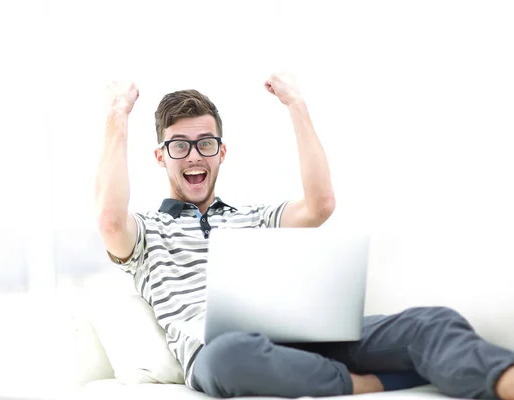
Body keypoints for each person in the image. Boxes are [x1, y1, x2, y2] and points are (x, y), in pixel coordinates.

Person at [95, 73, 514, 399]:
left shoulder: (255, 217)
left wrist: (296, 105)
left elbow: (320, 205)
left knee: (431, 322)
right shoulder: (146, 231)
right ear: (160, 157)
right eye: (179, 146)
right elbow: (111, 222)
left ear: (221, 152)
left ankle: (503, 381)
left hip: (302, 341)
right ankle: (366, 383)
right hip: (226, 356)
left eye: (205, 143)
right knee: (228, 355)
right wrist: (117, 116)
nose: (194, 156)